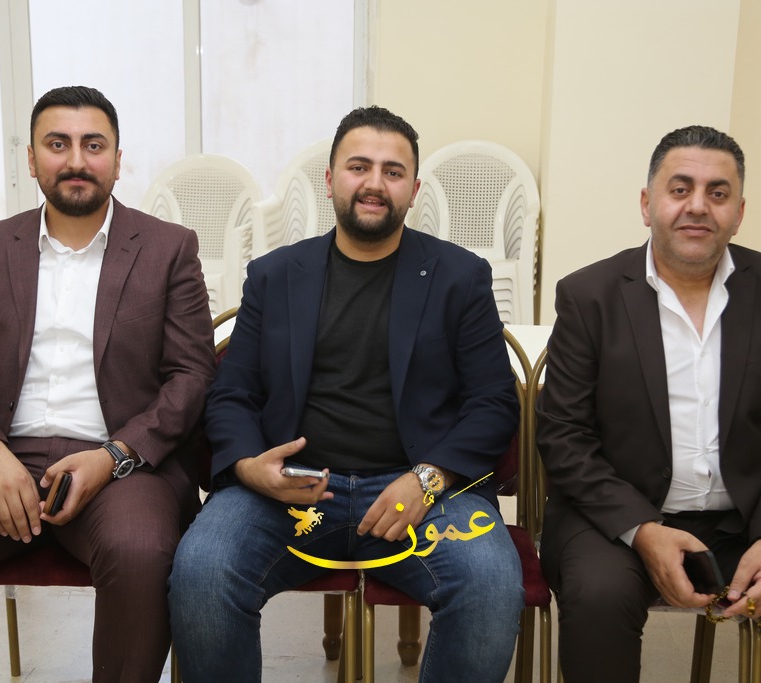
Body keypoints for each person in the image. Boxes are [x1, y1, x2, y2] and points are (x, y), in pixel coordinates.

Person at [168, 105, 524, 681]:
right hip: (290, 491)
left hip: (423, 491)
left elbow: (494, 401)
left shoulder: (459, 277)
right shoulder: (275, 275)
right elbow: (232, 392)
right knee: (202, 572)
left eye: (393, 171)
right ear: (331, 179)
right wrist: (251, 467)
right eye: (359, 167)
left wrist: (428, 479)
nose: (374, 183)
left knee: (490, 585)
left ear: (414, 190)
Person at [0, 86, 216, 682]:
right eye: (58, 144)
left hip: (122, 465)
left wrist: (113, 456)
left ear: (117, 159)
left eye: (93, 145)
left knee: (139, 553)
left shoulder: (169, 248)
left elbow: (191, 377)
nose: (76, 160)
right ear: (31, 159)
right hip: (5, 456)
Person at [536, 124, 761, 682]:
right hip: (618, 520)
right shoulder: (590, 295)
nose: (698, 206)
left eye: (718, 193)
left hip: (752, 519)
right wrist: (644, 530)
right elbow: (564, 435)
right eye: (680, 189)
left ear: (739, 211)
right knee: (598, 599)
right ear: (647, 203)